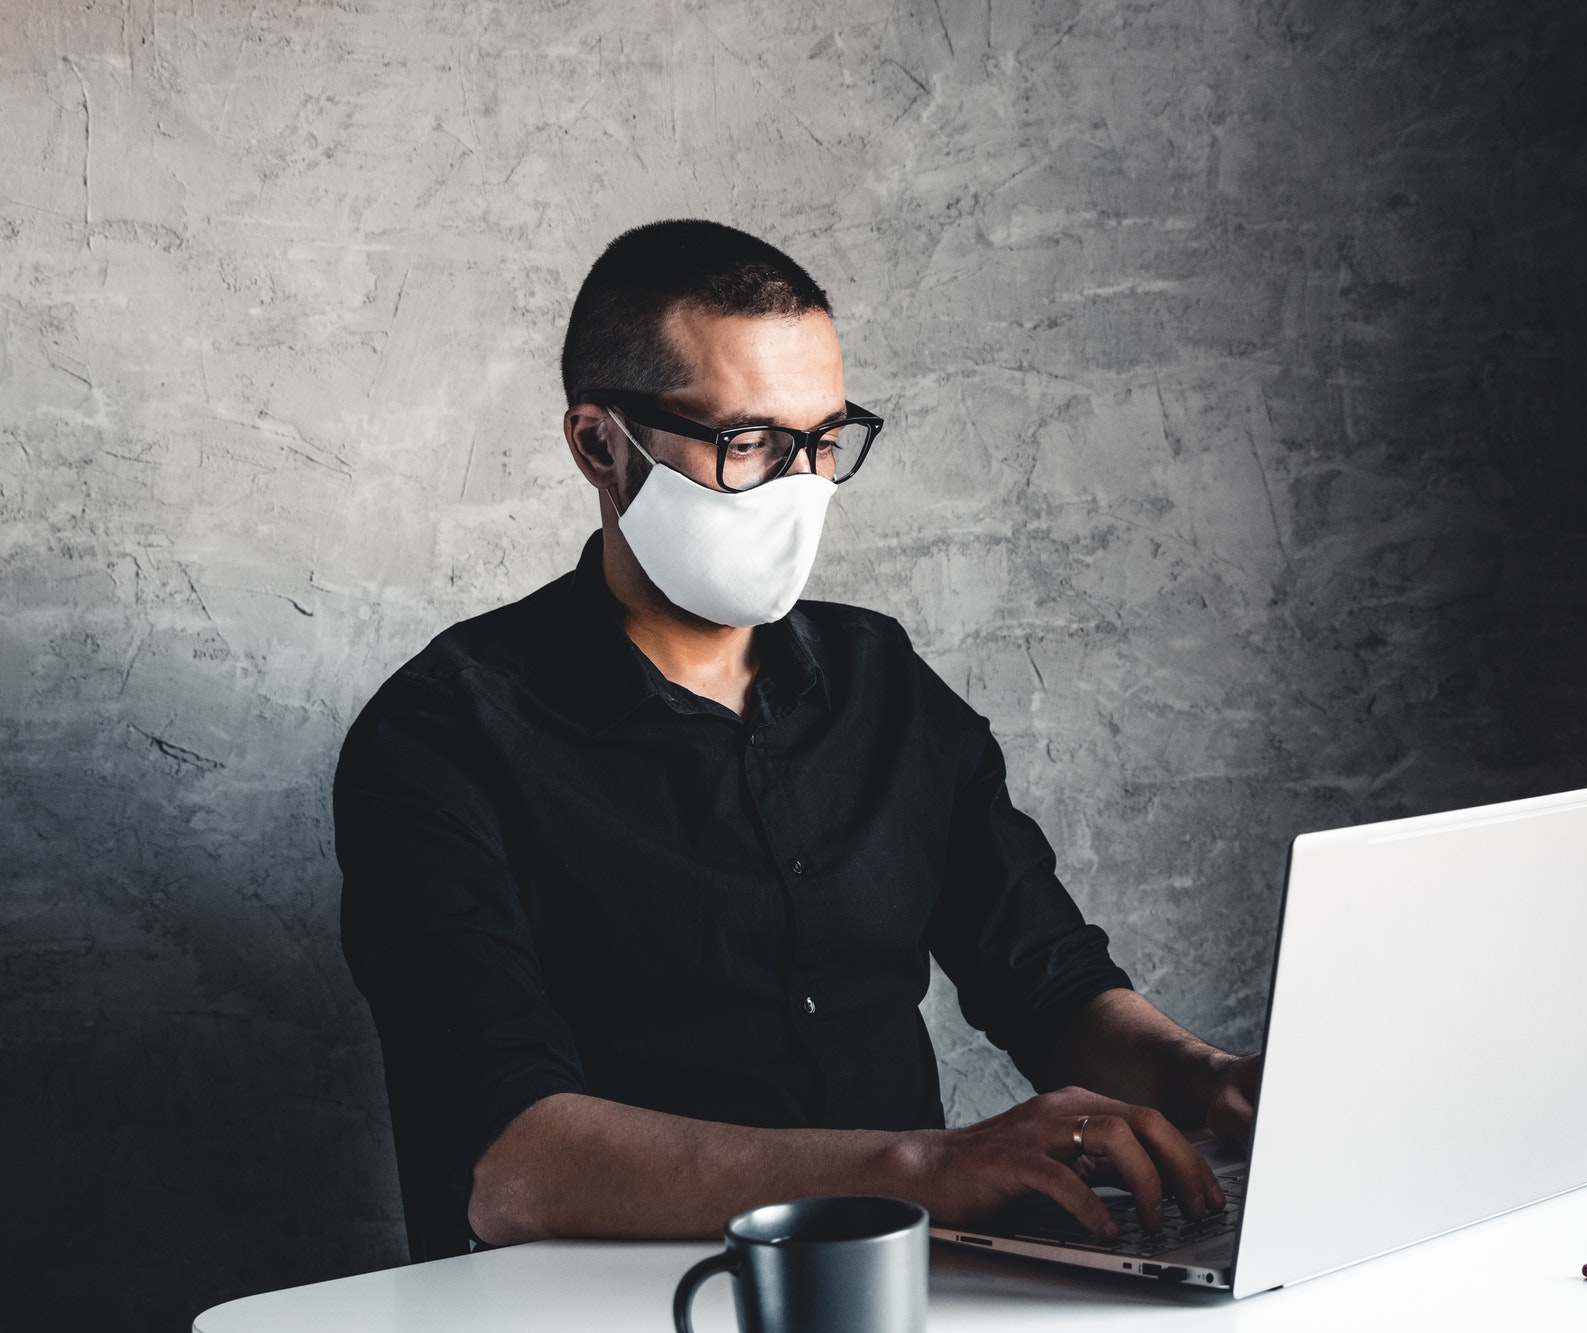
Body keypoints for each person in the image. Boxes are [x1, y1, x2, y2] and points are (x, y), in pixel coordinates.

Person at [335, 220, 1262, 1262]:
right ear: (600, 444)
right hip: (612, 1310)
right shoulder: (443, 737)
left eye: (822, 441)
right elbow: (510, 1166)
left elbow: (1049, 988)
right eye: (749, 443)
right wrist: (922, 1171)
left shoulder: (884, 685)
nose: (801, 486)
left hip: (904, 1292)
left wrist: (1207, 1079)